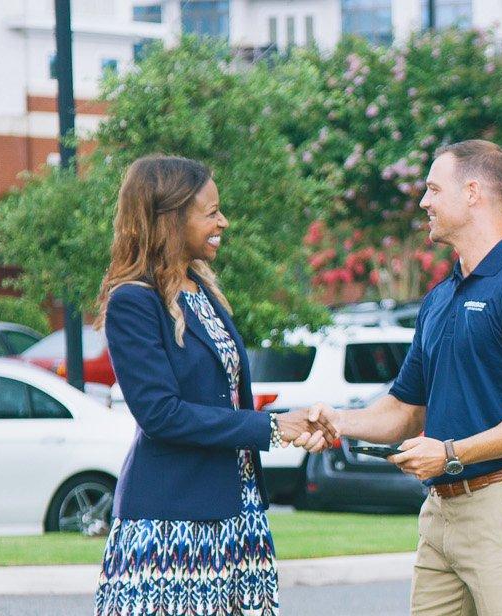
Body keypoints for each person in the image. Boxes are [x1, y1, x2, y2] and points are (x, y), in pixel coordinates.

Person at [330, 139, 502, 615]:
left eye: (432, 189)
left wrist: (450, 454)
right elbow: (404, 410)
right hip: (439, 514)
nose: (424, 202)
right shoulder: (440, 298)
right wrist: (338, 422)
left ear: (471, 192)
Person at [93, 154, 336, 616]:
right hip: (174, 525)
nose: (223, 221)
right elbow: (161, 415)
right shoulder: (134, 302)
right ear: (170, 218)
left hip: (236, 512)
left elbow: (222, 395)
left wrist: (291, 423)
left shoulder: (200, 291)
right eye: (211, 212)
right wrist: (271, 428)